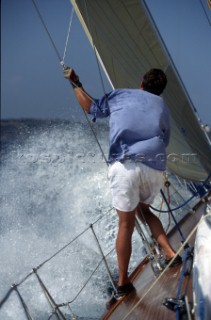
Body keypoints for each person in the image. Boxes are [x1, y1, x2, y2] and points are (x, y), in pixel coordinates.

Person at [64, 67, 182, 298]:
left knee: (125, 224)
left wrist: (76, 84)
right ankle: (169, 252)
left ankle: (123, 282)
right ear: (160, 90)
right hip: (154, 166)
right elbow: (164, 138)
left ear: (141, 82)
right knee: (145, 211)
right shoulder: (161, 106)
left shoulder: (121, 95)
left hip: (126, 165)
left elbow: (91, 108)